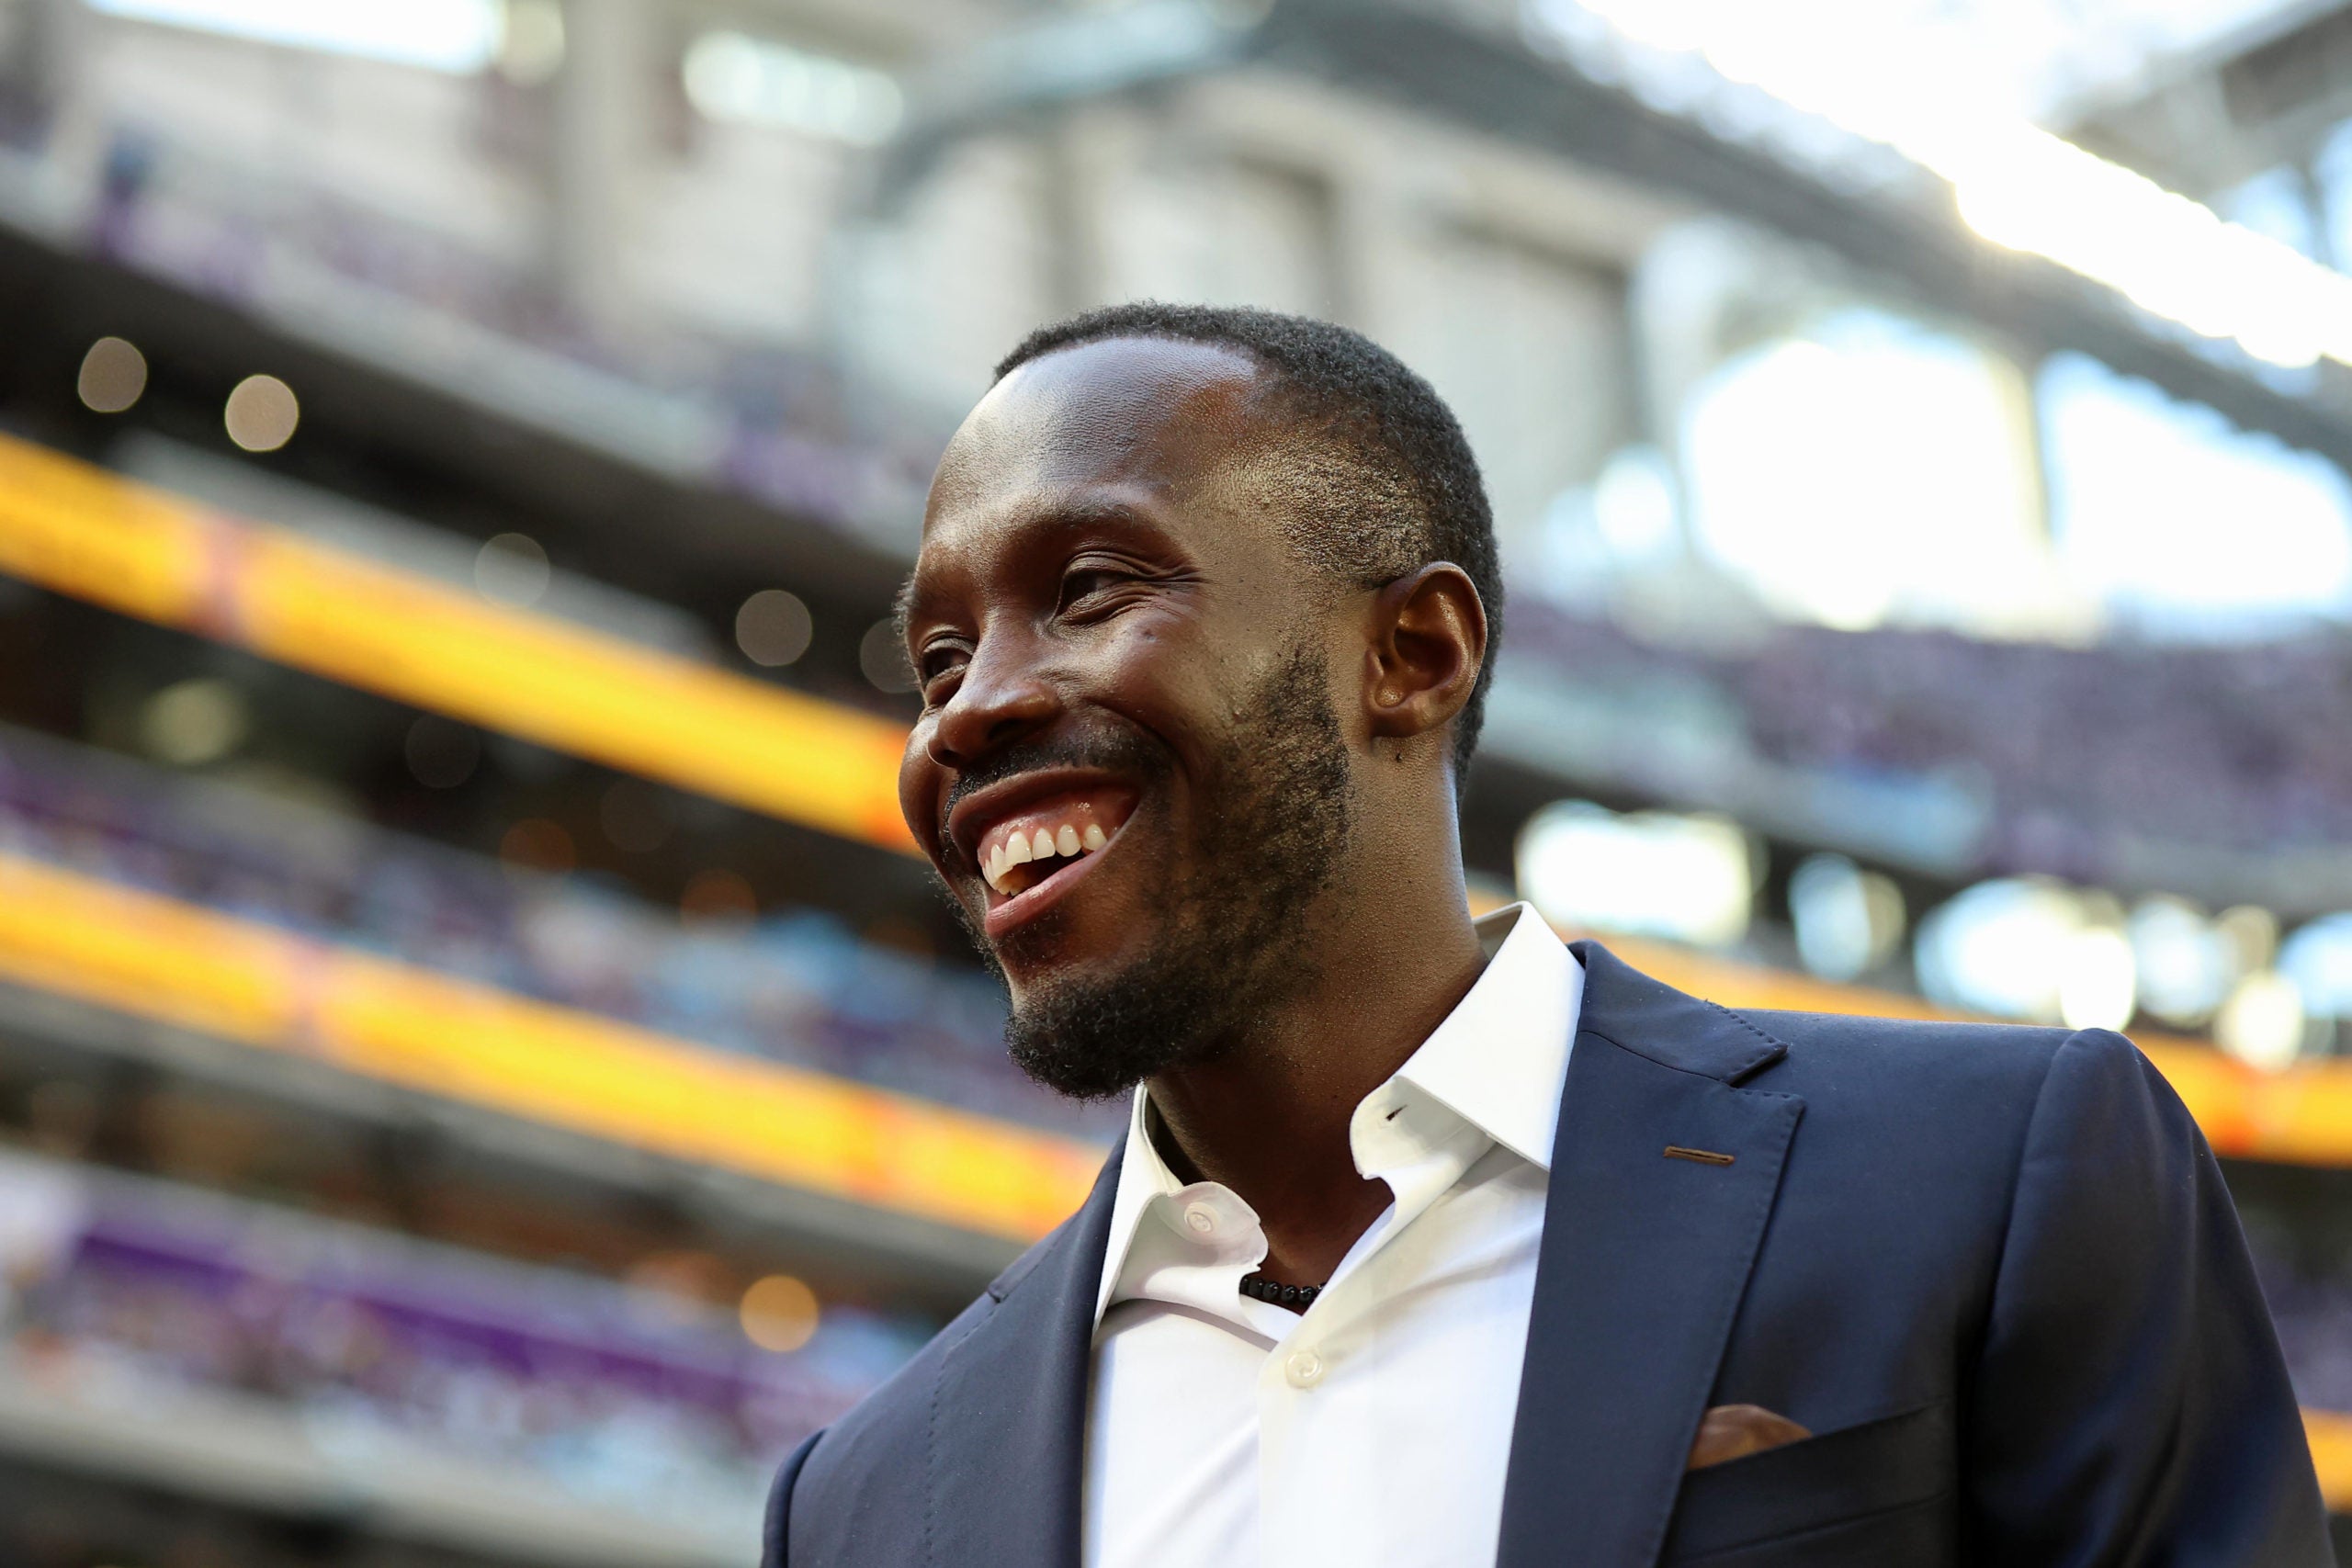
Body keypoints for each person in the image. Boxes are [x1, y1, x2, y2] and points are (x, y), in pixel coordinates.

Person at [763, 303, 2329, 1567]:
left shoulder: (2000, 1185)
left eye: (1090, 589)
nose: (966, 711)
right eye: (938, 655)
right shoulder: (857, 1504)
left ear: (1414, 653)